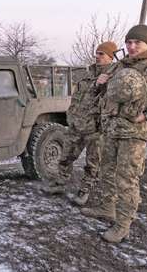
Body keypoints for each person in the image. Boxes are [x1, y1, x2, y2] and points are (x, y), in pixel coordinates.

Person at [81, 24, 147, 243]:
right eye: (129, 42)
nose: (132, 46)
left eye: (137, 42)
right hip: (111, 130)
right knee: (107, 172)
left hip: (133, 134)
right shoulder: (119, 66)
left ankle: (122, 225)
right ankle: (106, 208)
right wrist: (100, 83)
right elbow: (108, 93)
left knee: (127, 179)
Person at [44, 41, 117, 207]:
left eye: (102, 54)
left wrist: (102, 85)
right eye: (97, 53)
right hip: (76, 125)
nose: (97, 56)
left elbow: (111, 101)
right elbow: (76, 99)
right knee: (66, 156)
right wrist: (70, 116)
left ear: (111, 57)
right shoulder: (87, 75)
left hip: (95, 130)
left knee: (92, 163)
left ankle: (85, 189)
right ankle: (61, 183)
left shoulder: (113, 77)